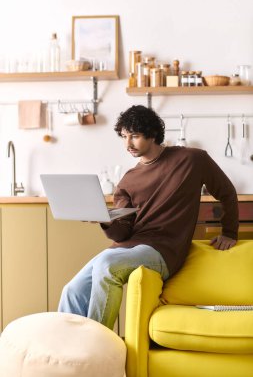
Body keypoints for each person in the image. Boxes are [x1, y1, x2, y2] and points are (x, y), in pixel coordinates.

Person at [58, 105, 239, 329]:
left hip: (163, 249)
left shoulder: (192, 159)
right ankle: (66, 350)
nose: (128, 144)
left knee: (106, 264)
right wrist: (104, 219)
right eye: (124, 137)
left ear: (152, 134)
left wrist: (229, 232)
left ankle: (98, 346)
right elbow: (123, 232)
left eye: (134, 136)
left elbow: (227, 192)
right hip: (126, 247)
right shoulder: (127, 180)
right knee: (72, 290)